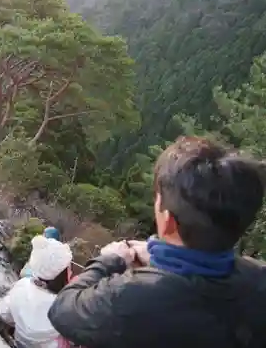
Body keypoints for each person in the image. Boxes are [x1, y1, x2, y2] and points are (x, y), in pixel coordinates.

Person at [48, 136, 266, 348]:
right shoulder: (258, 280)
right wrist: (163, 257)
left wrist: (108, 261)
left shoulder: (131, 297)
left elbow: (63, 308)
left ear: (168, 220)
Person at [0, 235, 74, 348]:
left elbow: (4, 314)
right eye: (69, 267)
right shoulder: (67, 304)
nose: (71, 271)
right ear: (61, 275)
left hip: (19, 342)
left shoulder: (22, 286)